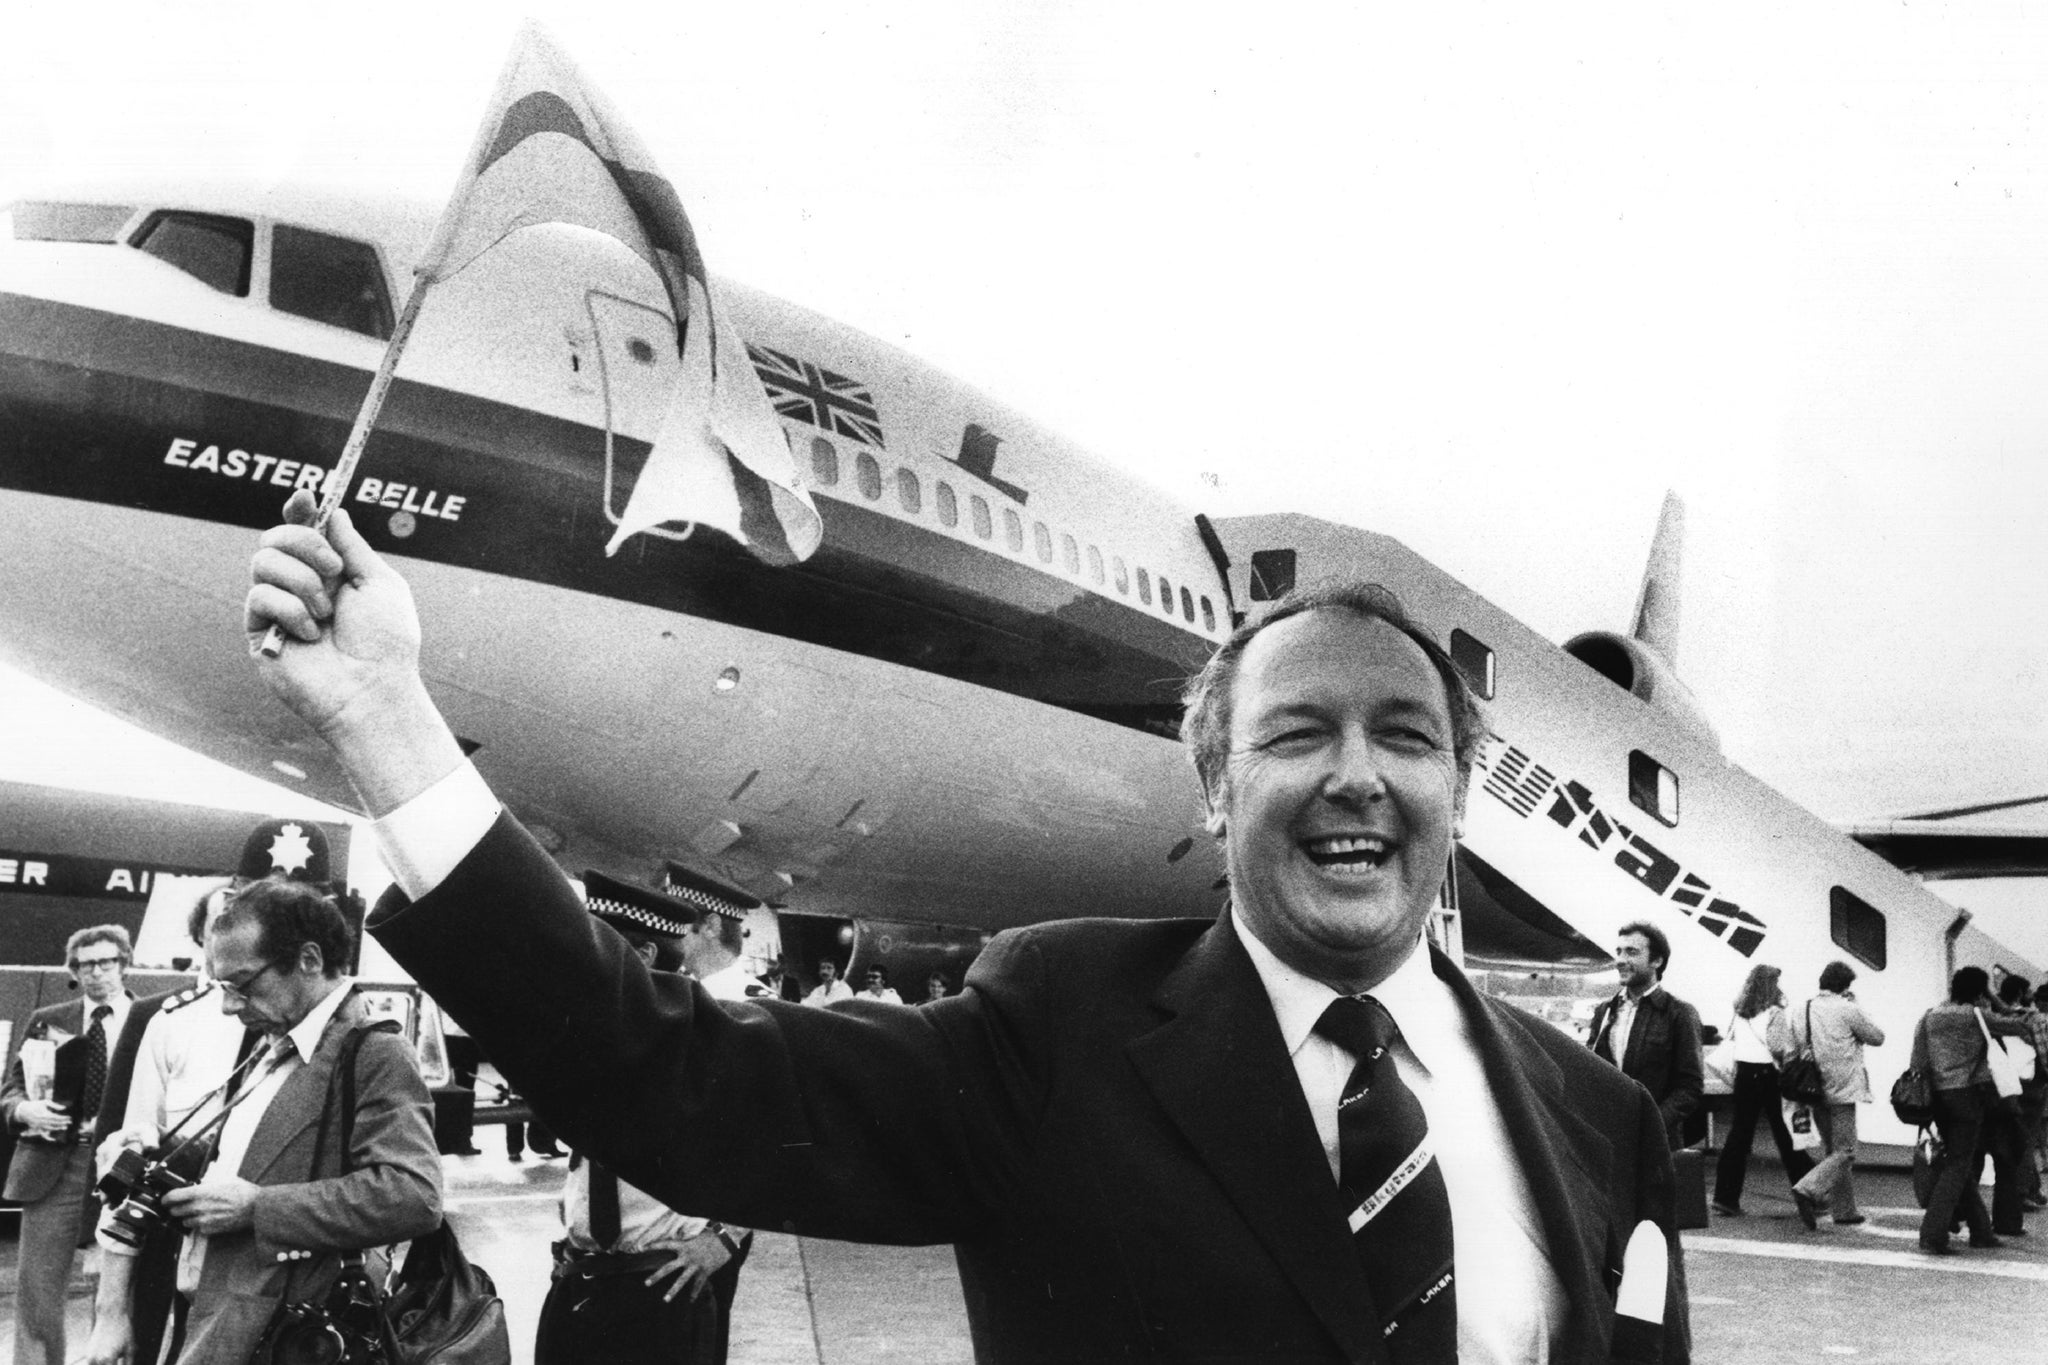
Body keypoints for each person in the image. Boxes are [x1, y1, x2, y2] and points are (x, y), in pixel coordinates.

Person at [246, 500, 1691, 1361]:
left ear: (1461, 787)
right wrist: (386, 724)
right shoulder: (1059, 1028)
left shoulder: (1597, 1115)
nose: (1357, 776)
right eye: (1298, 732)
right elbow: (669, 1079)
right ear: (1214, 780)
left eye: (1409, 738)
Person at [84, 877, 443, 1364]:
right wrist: (161, 1151)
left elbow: (413, 1196)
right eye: (221, 987)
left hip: (288, 1333)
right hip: (221, 1317)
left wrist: (259, 1209)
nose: (230, 1005)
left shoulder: (374, 1052)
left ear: (309, 960)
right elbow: (264, 1155)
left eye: (243, 984)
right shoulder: (276, 1040)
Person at [93, 819, 346, 1365]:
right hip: (176, 1271)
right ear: (234, 901)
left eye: (305, 899)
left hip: (299, 1298)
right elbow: (125, 1170)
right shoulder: (169, 1019)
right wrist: (110, 1310)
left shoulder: (349, 1037)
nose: (285, 908)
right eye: (265, 892)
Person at [537, 872, 751, 1365]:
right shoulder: (602, 1031)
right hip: (584, 1278)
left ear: (644, 956)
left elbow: (773, 1149)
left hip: (661, 1282)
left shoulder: (714, 1027)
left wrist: (725, 1239)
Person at [2, 926, 136, 1365]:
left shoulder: (150, 1019)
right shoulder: (49, 1019)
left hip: (123, 1167)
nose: (96, 972)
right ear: (73, 971)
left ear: (124, 963)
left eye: (106, 962)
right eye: (85, 964)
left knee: (118, 1290)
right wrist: (25, 1112)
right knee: (38, 1293)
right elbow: (12, 1090)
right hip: (55, 1164)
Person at [1913, 965, 2031, 1255]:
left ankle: (1981, 1231)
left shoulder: (1930, 1015)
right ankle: (1932, 1234)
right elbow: (2021, 1025)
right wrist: (1993, 997)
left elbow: (1918, 1059)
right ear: (1980, 990)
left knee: (1960, 1163)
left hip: (1938, 1098)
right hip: (1967, 1097)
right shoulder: (1976, 1016)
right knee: (1957, 1167)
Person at [1586, 920, 1705, 1151]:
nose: (1620, 960)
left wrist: (1651, 1125)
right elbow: (1592, 1073)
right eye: (1618, 951)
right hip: (1609, 1140)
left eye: (1632, 952)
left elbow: (1689, 1088)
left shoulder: (1680, 1013)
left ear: (1657, 961)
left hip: (1657, 1146)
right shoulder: (1605, 1011)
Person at [1709, 963, 1816, 1216]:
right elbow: (1778, 1046)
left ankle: (1725, 1197)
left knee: (1739, 1135)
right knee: (1787, 1135)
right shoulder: (1775, 1011)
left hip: (1745, 1075)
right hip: (1769, 1075)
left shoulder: (1741, 1010)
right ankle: (1810, 1191)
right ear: (1771, 984)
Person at [1788, 961, 1885, 1229]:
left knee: (1833, 1150)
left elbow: (1795, 1044)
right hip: (1843, 1088)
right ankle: (1808, 1188)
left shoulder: (1801, 1008)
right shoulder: (1848, 1008)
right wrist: (1856, 1005)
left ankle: (1844, 1210)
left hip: (1813, 1087)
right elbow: (1877, 1037)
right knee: (1846, 1151)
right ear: (1844, 986)